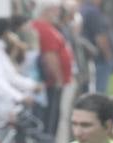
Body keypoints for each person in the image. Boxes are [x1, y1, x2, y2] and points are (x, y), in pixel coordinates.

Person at [0, 18, 41, 131]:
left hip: (1, 110)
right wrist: (20, 97)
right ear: (5, 33)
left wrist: (32, 85)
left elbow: (11, 76)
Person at [32, 1, 74, 135]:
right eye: (55, 10)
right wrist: (59, 79)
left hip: (52, 82)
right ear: (47, 10)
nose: (58, 13)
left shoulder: (49, 27)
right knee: (51, 118)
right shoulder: (44, 28)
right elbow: (50, 56)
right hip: (51, 83)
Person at [80, 0, 113, 93]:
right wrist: (108, 56)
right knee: (100, 92)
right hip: (100, 59)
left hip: (93, 59)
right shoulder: (92, 12)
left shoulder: (84, 9)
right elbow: (100, 36)